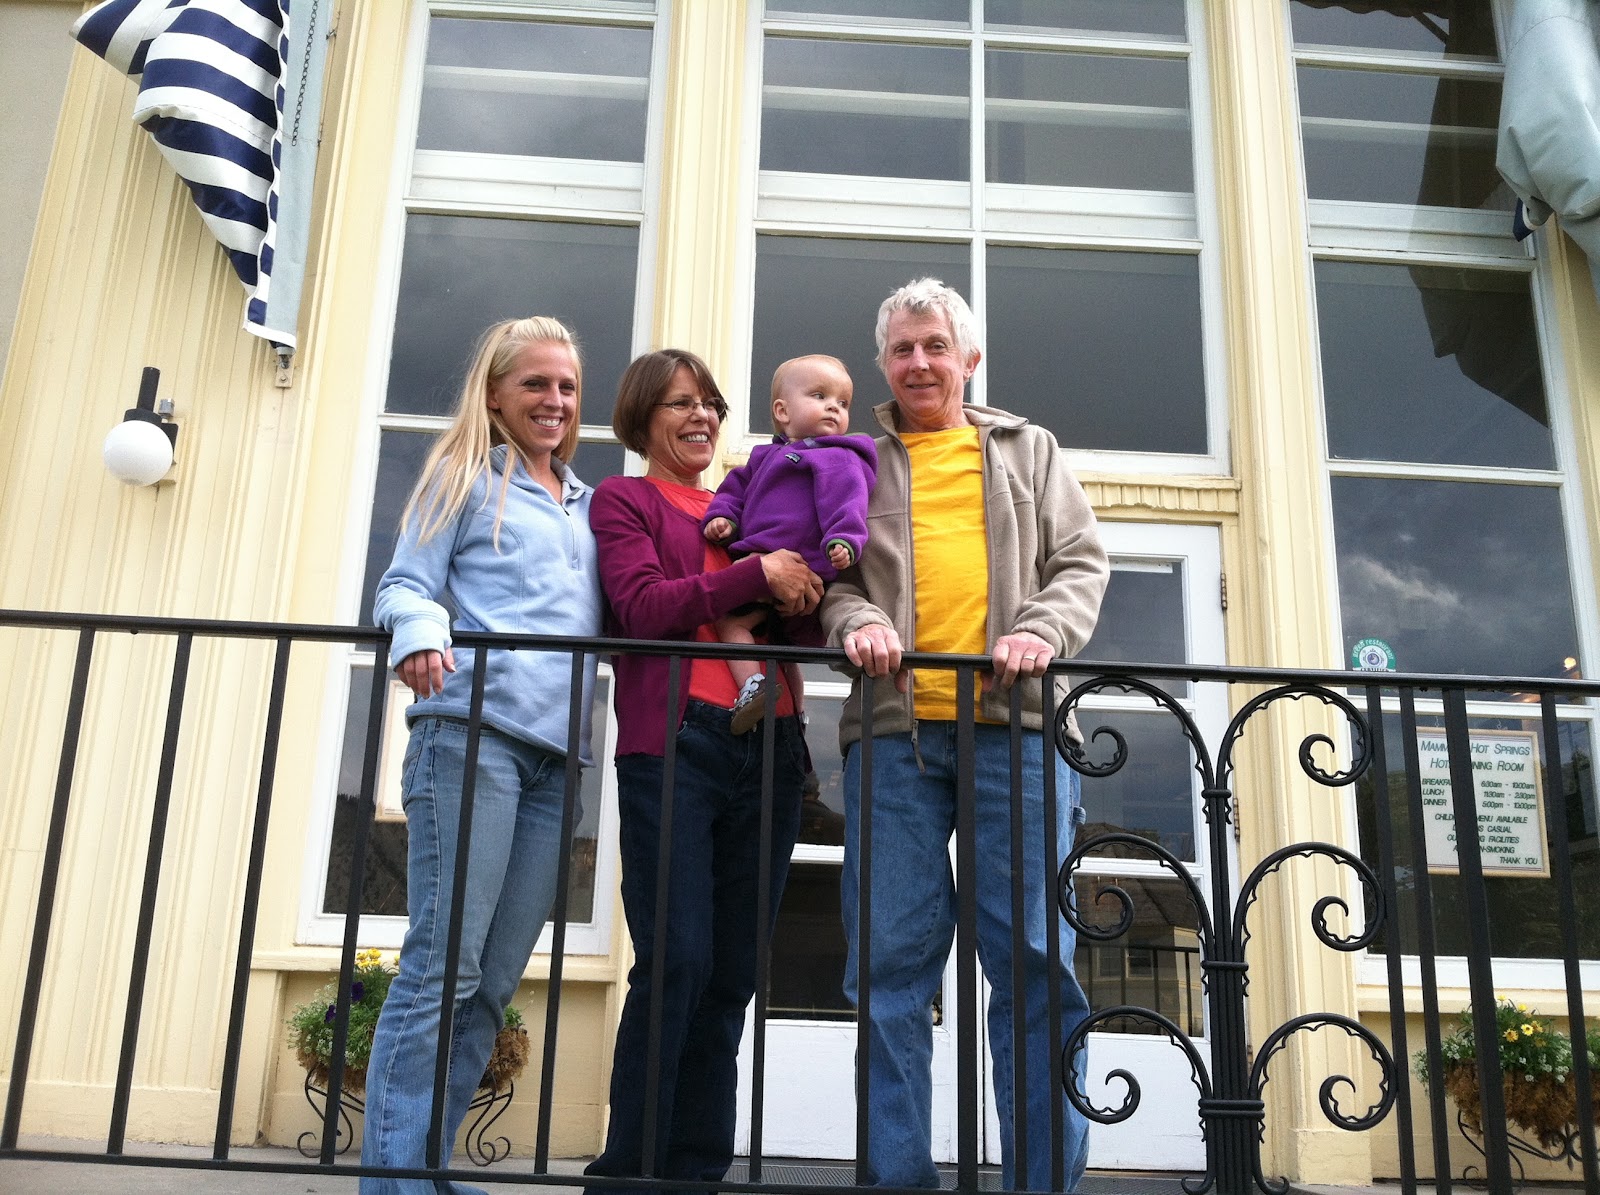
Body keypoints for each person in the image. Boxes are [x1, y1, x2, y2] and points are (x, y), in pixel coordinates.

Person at [820, 278, 1109, 1192]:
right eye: (902, 349)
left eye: (935, 346)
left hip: (1015, 732)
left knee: (1035, 966)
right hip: (893, 736)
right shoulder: (856, 461)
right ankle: (896, 1179)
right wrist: (857, 617)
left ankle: (1039, 1184)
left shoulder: (1030, 448)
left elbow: (1080, 563)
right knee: (888, 970)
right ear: (883, 363)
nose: (919, 362)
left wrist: (1041, 630)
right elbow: (831, 578)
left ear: (969, 358)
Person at [363, 317, 601, 1195]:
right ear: (496, 393)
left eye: (567, 386)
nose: (555, 400)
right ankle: (393, 1182)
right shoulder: (464, 475)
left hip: (556, 763)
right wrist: (421, 633)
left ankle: (423, 1166)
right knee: (443, 966)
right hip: (471, 740)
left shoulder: (586, 504)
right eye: (535, 383)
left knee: (492, 982)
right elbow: (403, 584)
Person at [584, 349, 824, 1194]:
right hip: (677, 742)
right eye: (681, 403)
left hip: (772, 743)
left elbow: (797, 627)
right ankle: (629, 1172)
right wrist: (757, 574)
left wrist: (803, 595)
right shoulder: (626, 500)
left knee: (729, 976)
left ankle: (695, 1173)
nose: (702, 417)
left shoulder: (747, 499)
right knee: (676, 960)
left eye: (711, 403)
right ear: (641, 417)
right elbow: (642, 608)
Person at [702, 354, 877, 733]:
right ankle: (795, 712)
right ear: (782, 411)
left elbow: (849, 502)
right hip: (762, 562)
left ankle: (753, 686)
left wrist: (845, 539)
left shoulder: (838, 457)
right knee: (780, 649)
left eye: (843, 402)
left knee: (730, 623)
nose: (834, 407)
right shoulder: (763, 457)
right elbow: (733, 490)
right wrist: (723, 517)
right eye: (820, 396)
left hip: (803, 564)